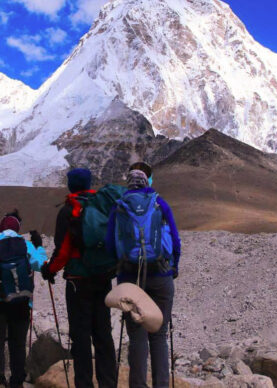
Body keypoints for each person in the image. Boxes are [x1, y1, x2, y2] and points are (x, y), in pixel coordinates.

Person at [106, 162, 181, 388]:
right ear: (147, 181)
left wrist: (120, 266)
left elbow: (111, 243)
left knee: (137, 336)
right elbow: (176, 240)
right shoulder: (159, 203)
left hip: (130, 278)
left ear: (128, 183)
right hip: (160, 274)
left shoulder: (119, 207)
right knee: (159, 334)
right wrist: (173, 266)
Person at [42, 168, 119, 388]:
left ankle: (84, 383)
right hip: (103, 277)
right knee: (103, 333)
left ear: (71, 185)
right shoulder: (100, 206)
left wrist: (50, 270)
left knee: (81, 336)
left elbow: (63, 250)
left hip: (78, 280)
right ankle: (108, 383)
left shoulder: (68, 211)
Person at [0, 211, 46, 387]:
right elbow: (41, 265)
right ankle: (17, 381)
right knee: (18, 344)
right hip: (21, 302)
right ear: (17, 228)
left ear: (1, 227)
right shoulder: (26, 245)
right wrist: (40, 247)